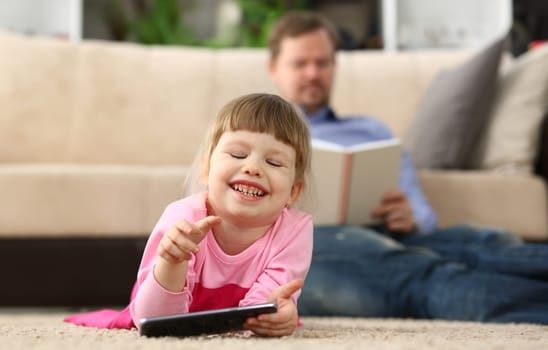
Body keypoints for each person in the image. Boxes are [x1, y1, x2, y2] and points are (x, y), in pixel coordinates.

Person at [266, 10, 548, 324]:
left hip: (395, 238)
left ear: (335, 65)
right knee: (430, 275)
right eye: (300, 64)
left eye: (322, 63)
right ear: (274, 68)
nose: (312, 73)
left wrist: (408, 217)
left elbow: (425, 218)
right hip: (320, 245)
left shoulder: (373, 132)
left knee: (491, 242)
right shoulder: (256, 135)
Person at [65, 93, 314, 337]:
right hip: (162, 302)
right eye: (238, 154)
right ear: (205, 170)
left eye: (274, 162)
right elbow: (154, 321)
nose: (253, 168)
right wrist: (172, 262)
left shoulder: (295, 230)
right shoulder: (184, 219)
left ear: (293, 192)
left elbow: (262, 309)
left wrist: (276, 314)